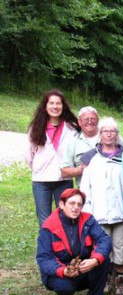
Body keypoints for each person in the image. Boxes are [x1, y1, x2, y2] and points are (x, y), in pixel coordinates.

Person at [36, 188, 111, 295]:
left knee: (103, 260)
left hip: (84, 268)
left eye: (79, 204)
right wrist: (64, 271)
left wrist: (94, 260)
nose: (76, 207)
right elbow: (44, 258)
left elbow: (104, 240)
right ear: (61, 204)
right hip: (61, 272)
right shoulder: (48, 227)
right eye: (72, 203)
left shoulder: (88, 220)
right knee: (64, 286)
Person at [79, 117, 123, 295]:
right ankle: (105, 279)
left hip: (121, 212)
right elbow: (85, 186)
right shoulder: (92, 157)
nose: (109, 134)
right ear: (100, 134)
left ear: (117, 134)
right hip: (98, 212)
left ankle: (121, 281)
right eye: (105, 131)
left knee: (121, 248)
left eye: (112, 131)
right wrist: (87, 211)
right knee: (102, 249)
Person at [25, 89, 80, 227]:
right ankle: (47, 248)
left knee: (66, 218)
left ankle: (64, 248)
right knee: (45, 220)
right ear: (45, 106)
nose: (55, 107)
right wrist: (39, 167)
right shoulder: (36, 127)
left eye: (58, 103)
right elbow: (29, 154)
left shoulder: (72, 128)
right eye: (51, 103)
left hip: (64, 180)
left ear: (63, 106)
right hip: (41, 180)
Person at [60, 106, 99, 186]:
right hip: (85, 191)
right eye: (86, 119)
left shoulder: (111, 137)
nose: (89, 122)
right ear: (79, 122)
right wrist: (81, 169)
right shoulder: (73, 143)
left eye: (92, 118)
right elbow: (64, 172)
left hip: (110, 191)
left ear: (98, 121)